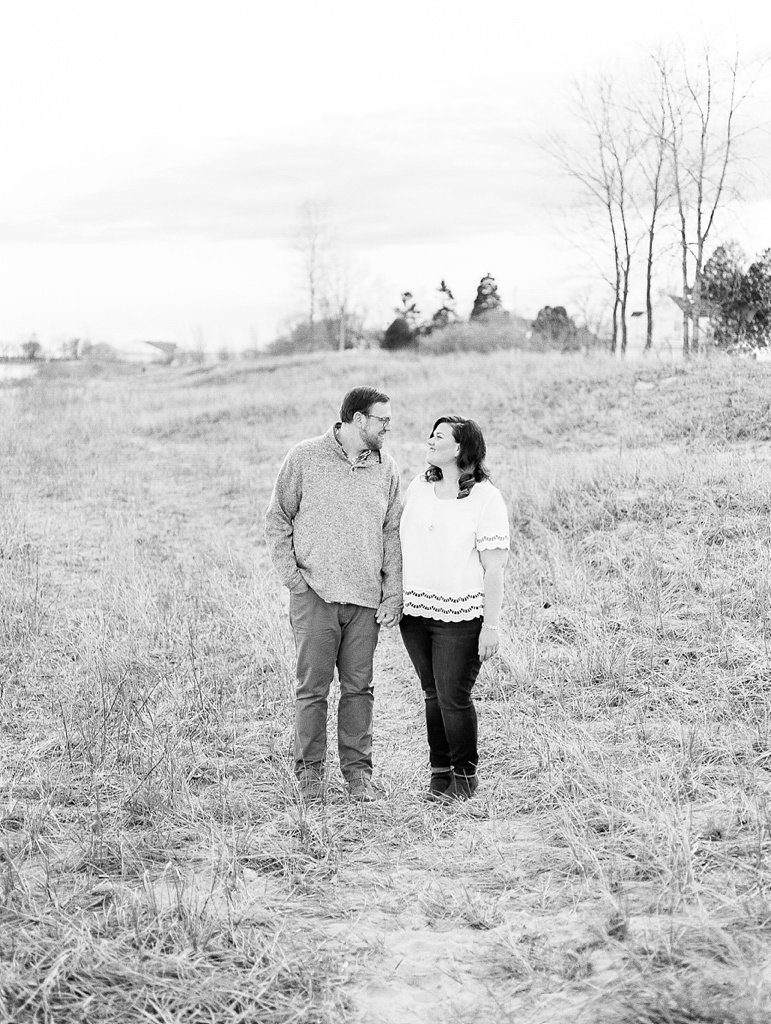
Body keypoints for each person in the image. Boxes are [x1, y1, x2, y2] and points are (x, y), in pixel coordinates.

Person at [265, 386, 402, 803]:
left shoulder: (387, 467)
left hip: (364, 601)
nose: (388, 427)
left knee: (360, 690)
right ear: (359, 420)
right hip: (316, 597)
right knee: (313, 690)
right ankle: (309, 776)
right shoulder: (305, 457)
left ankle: (358, 775)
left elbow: (391, 533)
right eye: (382, 420)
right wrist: (294, 582)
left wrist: (393, 593)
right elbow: (277, 519)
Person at [399, 416, 509, 802]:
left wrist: (490, 626)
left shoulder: (485, 498)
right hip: (414, 613)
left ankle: (465, 776)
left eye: (439, 436)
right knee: (432, 694)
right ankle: (440, 772)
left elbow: (493, 568)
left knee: (452, 697)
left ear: (460, 448)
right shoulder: (418, 486)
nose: (430, 440)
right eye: (431, 433)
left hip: (461, 616)